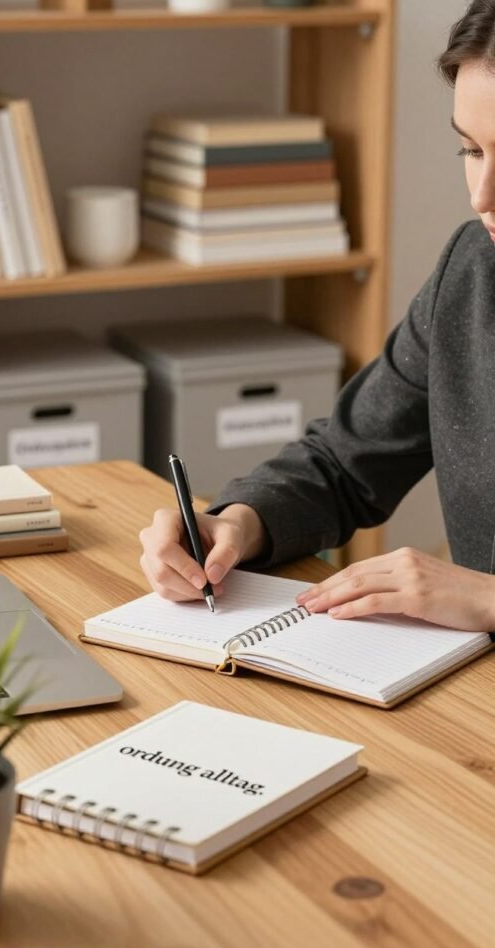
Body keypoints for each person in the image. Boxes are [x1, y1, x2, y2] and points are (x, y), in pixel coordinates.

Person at [140, 0, 495, 633]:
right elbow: (343, 463)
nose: (481, 195)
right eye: (470, 150)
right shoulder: (472, 273)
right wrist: (236, 525)